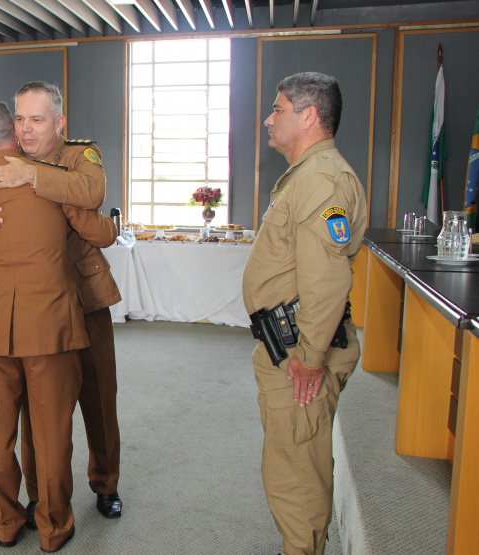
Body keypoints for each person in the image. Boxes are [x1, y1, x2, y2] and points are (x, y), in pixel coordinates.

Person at [0, 101, 116, 552]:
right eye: (22, 121)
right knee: (51, 431)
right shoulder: (49, 185)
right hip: (51, 328)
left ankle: (5, 522)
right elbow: (102, 232)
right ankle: (53, 527)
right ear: (14, 133)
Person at [242, 72, 366, 555]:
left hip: (300, 353)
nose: (268, 119)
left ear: (309, 116)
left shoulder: (319, 180)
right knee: (296, 462)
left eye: (277, 109)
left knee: (295, 472)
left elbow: (326, 279)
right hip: (290, 345)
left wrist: (310, 358)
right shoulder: (308, 175)